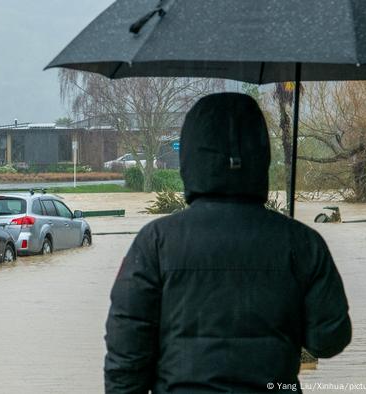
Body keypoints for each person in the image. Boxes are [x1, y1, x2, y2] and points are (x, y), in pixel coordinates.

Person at [104, 93, 351, 393]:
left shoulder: (155, 242)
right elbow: (329, 340)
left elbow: (126, 355)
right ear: (261, 157)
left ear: (190, 159)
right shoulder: (302, 243)